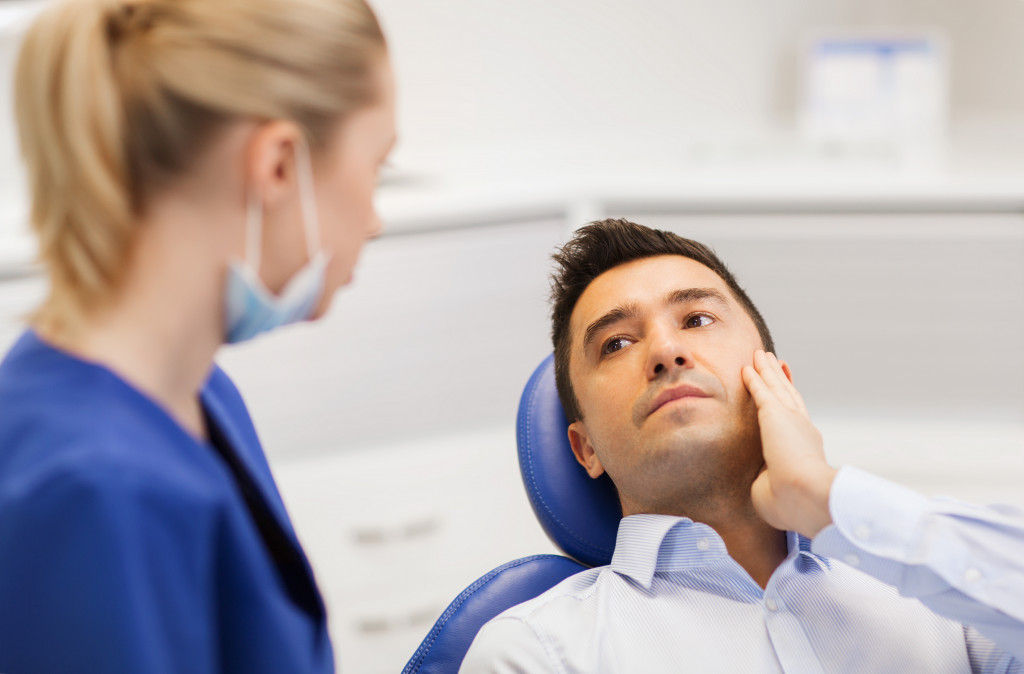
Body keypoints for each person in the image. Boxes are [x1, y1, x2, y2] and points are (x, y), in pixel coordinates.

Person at [0, 0, 395, 672]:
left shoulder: (201, 393)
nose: (377, 220)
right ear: (277, 165)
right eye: (377, 167)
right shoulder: (92, 491)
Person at [461, 218, 1023, 672]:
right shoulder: (533, 653)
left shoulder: (939, 594)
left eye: (697, 318)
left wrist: (823, 498)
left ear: (778, 383)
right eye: (616, 343)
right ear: (586, 450)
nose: (665, 351)